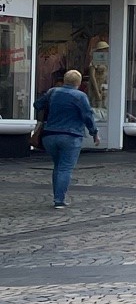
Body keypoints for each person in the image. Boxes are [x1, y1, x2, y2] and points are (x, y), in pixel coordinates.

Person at [33, 70, 98, 209]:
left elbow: (37, 105)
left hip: (49, 135)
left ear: (64, 80)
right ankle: (59, 200)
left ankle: (57, 196)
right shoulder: (80, 96)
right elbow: (87, 116)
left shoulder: (53, 92)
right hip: (71, 136)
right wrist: (94, 133)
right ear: (79, 83)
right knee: (65, 168)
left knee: (58, 165)